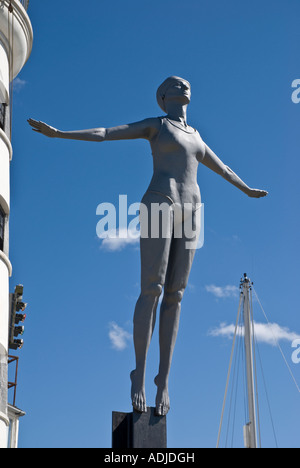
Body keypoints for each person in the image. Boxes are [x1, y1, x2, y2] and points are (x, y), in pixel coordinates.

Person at [28, 76, 268, 416]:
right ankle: (138, 374)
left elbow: (223, 168)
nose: (184, 86)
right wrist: (61, 133)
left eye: (186, 84)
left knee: (176, 295)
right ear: (163, 96)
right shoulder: (156, 126)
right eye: (176, 84)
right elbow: (108, 132)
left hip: (192, 212)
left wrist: (247, 189)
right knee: (152, 289)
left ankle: (163, 380)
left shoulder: (196, 136)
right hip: (160, 202)